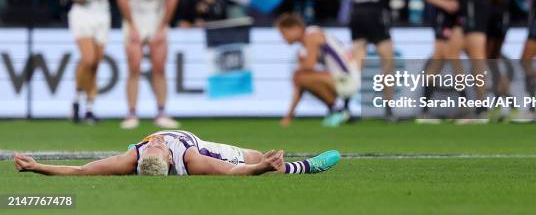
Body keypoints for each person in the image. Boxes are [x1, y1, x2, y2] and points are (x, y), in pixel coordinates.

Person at [13, 130, 340, 176]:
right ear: (168, 159)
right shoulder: (189, 159)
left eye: (150, 147)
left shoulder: (133, 155)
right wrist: (262, 168)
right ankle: (305, 167)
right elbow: (231, 173)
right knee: (255, 156)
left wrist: (35, 166)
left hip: (188, 141)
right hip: (199, 144)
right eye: (156, 147)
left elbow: (82, 172)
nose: (154, 142)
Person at [49, 0, 117, 124]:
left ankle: (88, 107)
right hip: (81, 12)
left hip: (102, 12)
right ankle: (77, 100)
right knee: (87, 58)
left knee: (96, 62)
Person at [116, 0, 181, 129]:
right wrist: (132, 26)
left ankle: (161, 112)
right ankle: (131, 113)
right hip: (135, 15)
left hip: (157, 16)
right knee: (134, 66)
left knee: (159, 66)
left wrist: (163, 26)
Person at [276, 13, 360, 127]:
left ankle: (338, 110)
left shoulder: (312, 35)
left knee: (301, 76)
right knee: (301, 78)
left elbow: (309, 65)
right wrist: (289, 116)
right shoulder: (303, 48)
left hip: (348, 80)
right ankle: (338, 110)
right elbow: (300, 87)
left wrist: (299, 70)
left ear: (296, 28)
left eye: (284, 33)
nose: (283, 38)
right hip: (342, 79)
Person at [419, 0, 460, 124]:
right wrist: (445, 3)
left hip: (462, 16)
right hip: (444, 17)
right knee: (441, 59)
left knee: (450, 58)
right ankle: (426, 110)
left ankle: (466, 104)